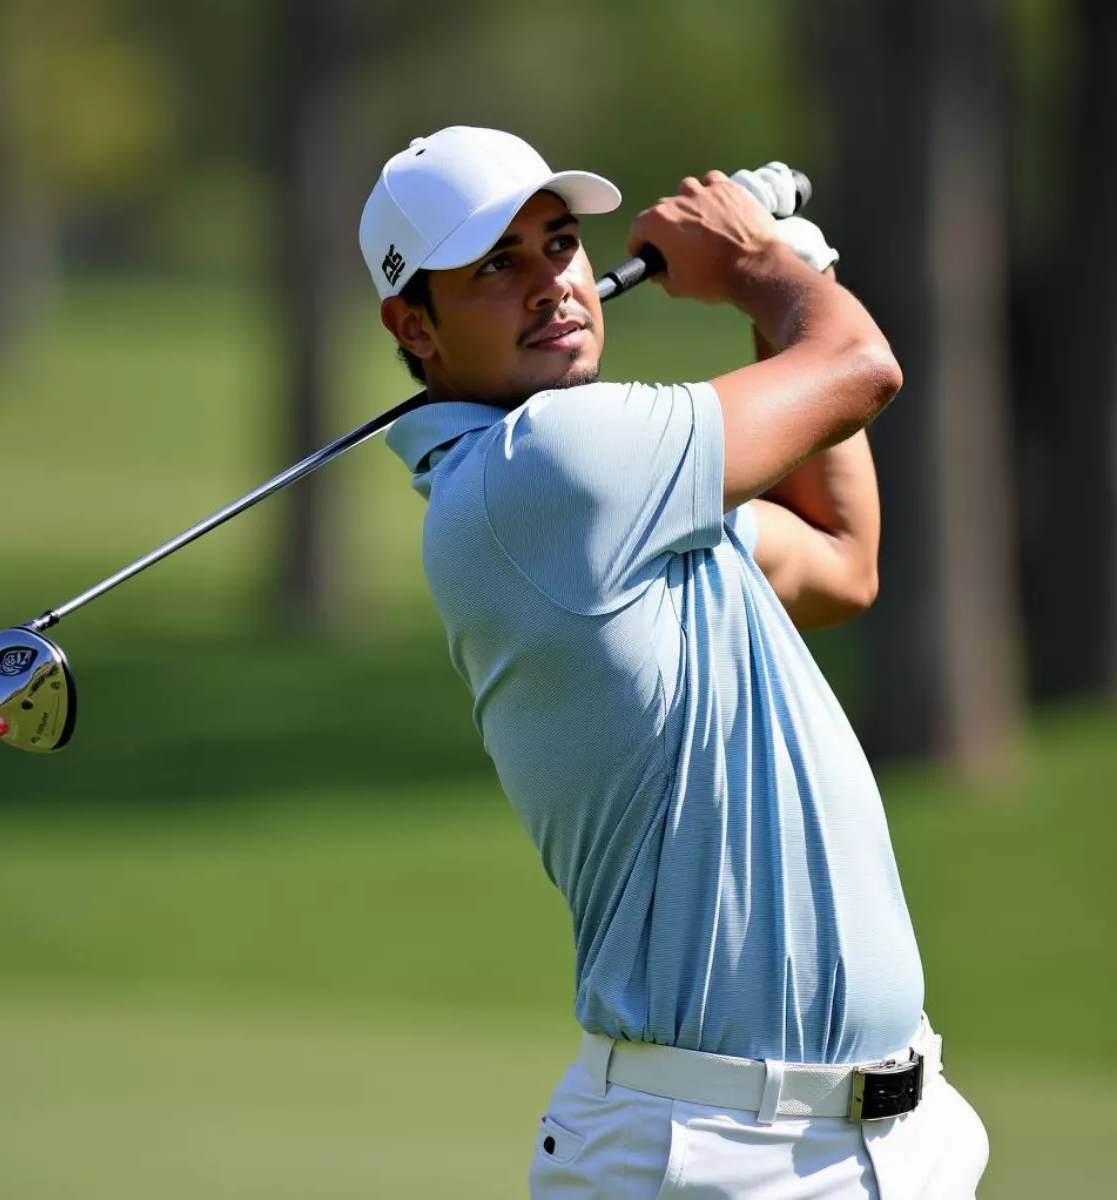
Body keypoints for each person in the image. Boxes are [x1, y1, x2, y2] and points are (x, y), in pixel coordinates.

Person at [359, 125, 989, 1199]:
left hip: (897, 1141)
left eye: (559, 244)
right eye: (496, 267)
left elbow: (841, 561)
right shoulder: (549, 470)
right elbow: (858, 366)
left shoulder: (609, 493)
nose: (553, 284)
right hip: (713, 1156)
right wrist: (756, 268)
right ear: (413, 326)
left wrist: (792, 273)